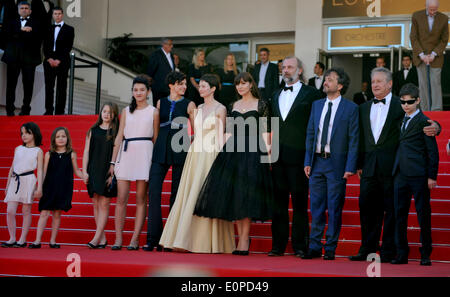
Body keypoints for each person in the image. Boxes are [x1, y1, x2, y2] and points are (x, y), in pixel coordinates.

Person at [349, 67, 441, 263]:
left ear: (390, 84)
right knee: (367, 209)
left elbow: (420, 119)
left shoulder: (401, 104)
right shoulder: (363, 107)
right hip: (368, 168)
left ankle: (390, 251)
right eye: (373, 81)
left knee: (392, 211)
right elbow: (359, 138)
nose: (375, 85)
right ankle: (367, 249)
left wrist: (437, 127)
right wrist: (358, 163)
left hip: (394, 168)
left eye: (380, 81)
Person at [194, 72, 273, 256]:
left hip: (253, 152)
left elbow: (267, 131)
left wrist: (268, 156)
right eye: (238, 84)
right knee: (236, 196)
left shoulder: (262, 105)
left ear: (251, 85)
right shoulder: (233, 105)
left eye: (244, 83)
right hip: (233, 152)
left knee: (246, 196)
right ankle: (240, 239)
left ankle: (245, 239)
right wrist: (222, 153)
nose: (240, 87)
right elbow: (228, 131)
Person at [159, 74, 235, 254]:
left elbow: (220, 135)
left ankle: (208, 242)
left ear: (213, 88)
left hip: (210, 154)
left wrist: (221, 160)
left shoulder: (221, 108)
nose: (200, 89)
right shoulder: (197, 108)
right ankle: (184, 240)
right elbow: (195, 132)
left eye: (204, 86)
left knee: (206, 194)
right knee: (190, 195)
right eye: (200, 86)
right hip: (195, 154)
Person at [303, 68, 359, 260]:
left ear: (340, 85)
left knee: (334, 208)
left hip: (337, 165)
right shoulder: (316, 105)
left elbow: (354, 139)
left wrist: (350, 166)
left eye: (330, 79)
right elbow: (311, 134)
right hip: (317, 162)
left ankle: (331, 248)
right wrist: (307, 161)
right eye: (325, 79)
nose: (326, 82)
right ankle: (314, 246)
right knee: (316, 207)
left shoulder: (351, 108)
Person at [268, 56, 321, 258]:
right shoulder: (275, 94)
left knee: (300, 204)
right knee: (278, 204)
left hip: (300, 158)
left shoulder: (313, 94)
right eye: (284, 67)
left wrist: (311, 157)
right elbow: (270, 125)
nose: (286, 70)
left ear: (299, 70)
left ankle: (300, 246)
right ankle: (277, 246)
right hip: (277, 158)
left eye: (290, 67)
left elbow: (317, 126)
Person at [145, 71, 195, 252]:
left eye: (185, 84)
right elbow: (156, 128)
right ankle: (153, 238)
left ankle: (170, 239)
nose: (184, 86)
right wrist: (157, 145)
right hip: (161, 148)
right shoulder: (160, 102)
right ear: (171, 85)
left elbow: (195, 132)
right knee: (154, 191)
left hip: (181, 147)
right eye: (180, 84)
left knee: (176, 194)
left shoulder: (190, 104)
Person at [391, 83, 439, 266]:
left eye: (410, 101)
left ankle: (425, 253)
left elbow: (432, 152)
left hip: (419, 175)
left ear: (418, 100)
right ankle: (401, 253)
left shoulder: (425, 122)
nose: (406, 105)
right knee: (399, 215)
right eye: (403, 102)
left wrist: (432, 176)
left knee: (423, 215)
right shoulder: (399, 120)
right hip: (400, 175)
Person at [110, 76, 160, 251]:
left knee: (141, 199)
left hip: (145, 154)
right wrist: (112, 162)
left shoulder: (154, 112)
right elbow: (118, 136)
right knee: (121, 199)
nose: (138, 93)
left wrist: (155, 163)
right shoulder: (125, 111)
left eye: (142, 90)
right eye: (135, 90)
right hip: (126, 153)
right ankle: (118, 239)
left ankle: (135, 239)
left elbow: (155, 138)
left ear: (148, 92)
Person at [29, 127, 84, 249]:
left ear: (67, 138)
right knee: (44, 213)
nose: (61, 139)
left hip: (64, 188)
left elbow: (77, 171)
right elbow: (43, 172)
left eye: (63, 136)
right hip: (49, 187)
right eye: (58, 136)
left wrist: (85, 177)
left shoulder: (72, 154)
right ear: (54, 139)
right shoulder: (49, 154)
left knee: (57, 214)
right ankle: (37, 240)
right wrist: (39, 188)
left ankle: (53, 241)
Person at [82, 102, 119, 249]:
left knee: (104, 204)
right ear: (100, 113)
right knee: (96, 203)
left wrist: (113, 172)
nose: (106, 114)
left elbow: (117, 154)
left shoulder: (115, 132)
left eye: (110, 112)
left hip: (107, 170)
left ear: (114, 115)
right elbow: (86, 152)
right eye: (104, 111)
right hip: (93, 169)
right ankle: (102, 238)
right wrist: (84, 171)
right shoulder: (93, 130)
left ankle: (96, 237)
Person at [2, 122, 43, 248]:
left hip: (29, 180)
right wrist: (8, 184)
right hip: (15, 180)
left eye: (27, 133)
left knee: (26, 210)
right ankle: (12, 238)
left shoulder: (38, 151)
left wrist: (39, 187)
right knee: (10, 211)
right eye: (22, 133)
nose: (24, 136)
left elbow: (40, 170)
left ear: (34, 134)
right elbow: (12, 166)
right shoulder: (18, 149)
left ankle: (22, 239)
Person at [2, 1, 43, 116]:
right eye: (22, 8)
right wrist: (21, 31)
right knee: (11, 85)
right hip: (13, 58)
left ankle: (26, 109)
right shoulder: (11, 22)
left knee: (29, 85)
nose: (24, 10)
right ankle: (9, 109)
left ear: (30, 11)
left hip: (30, 59)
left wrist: (26, 33)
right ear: (18, 10)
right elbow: (6, 35)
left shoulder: (37, 23)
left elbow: (39, 38)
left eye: (26, 8)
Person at [410, 0, 449, 111]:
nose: (433, 11)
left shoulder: (444, 18)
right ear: (425, 6)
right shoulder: (416, 16)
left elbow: (444, 39)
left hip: (436, 57)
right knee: (423, 85)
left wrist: (434, 54)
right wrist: (422, 54)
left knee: (436, 83)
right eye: (431, 9)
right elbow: (413, 37)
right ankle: (425, 110)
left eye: (435, 9)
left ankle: (437, 110)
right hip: (420, 56)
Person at [42, 6, 75, 115]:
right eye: (55, 14)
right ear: (52, 15)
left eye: (59, 14)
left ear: (62, 14)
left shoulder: (70, 29)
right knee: (48, 87)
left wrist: (59, 60)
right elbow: (45, 46)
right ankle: (48, 111)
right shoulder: (47, 28)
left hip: (63, 61)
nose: (57, 16)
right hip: (49, 61)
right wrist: (49, 58)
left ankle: (59, 112)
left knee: (62, 87)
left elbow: (68, 46)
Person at [147, 38, 175, 106]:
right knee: (159, 109)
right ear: (164, 45)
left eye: (172, 44)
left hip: (169, 89)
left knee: (168, 109)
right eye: (170, 44)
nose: (172, 46)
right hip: (159, 89)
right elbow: (150, 71)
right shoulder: (156, 55)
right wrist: (149, 85)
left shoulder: (171, 55)